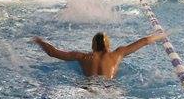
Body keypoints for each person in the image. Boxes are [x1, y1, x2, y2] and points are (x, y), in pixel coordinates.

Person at [32, 32, 164, 79]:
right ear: (108, 45)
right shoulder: (117, 54)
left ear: (92, 45)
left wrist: (39, 41)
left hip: (88, 89)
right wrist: (164, 34)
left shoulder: (82, 57)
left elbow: (53, 53)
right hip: (110, 90)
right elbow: (145, 40)